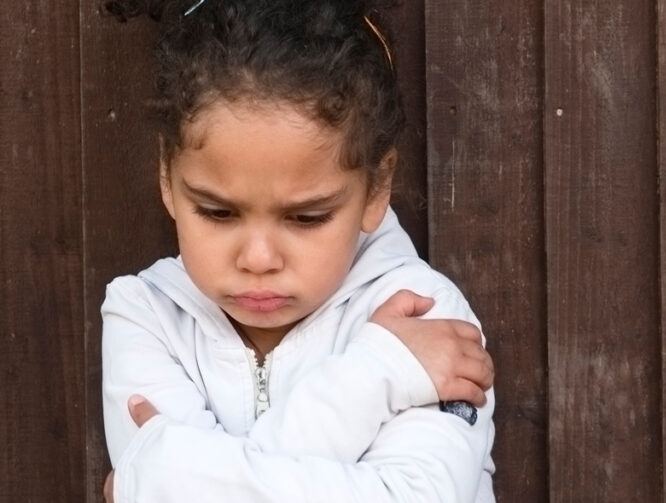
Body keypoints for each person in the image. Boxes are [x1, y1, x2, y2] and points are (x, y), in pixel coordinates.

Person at [99, 0, 496, 501]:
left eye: (306, 217)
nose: (259, 259)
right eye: (218, 213)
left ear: (376, 189)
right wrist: (376, 376)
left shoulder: (427, 319)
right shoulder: (145, 316)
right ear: (167, 178)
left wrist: (166, 477)